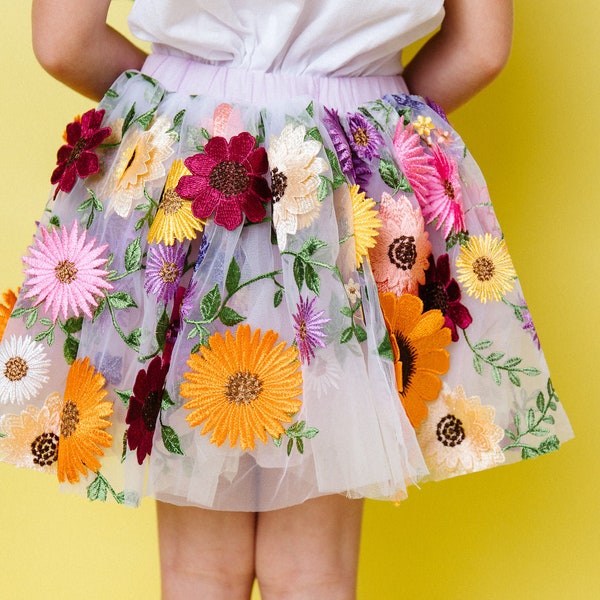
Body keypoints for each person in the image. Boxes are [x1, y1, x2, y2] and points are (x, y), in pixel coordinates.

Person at [0, 1, 573, 599]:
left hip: (195, 169)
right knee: (312, 573)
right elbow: (482, 48)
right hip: (347, 172)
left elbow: (63, 42)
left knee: (199, 571)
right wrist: (369, 125)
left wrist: (188, 102)